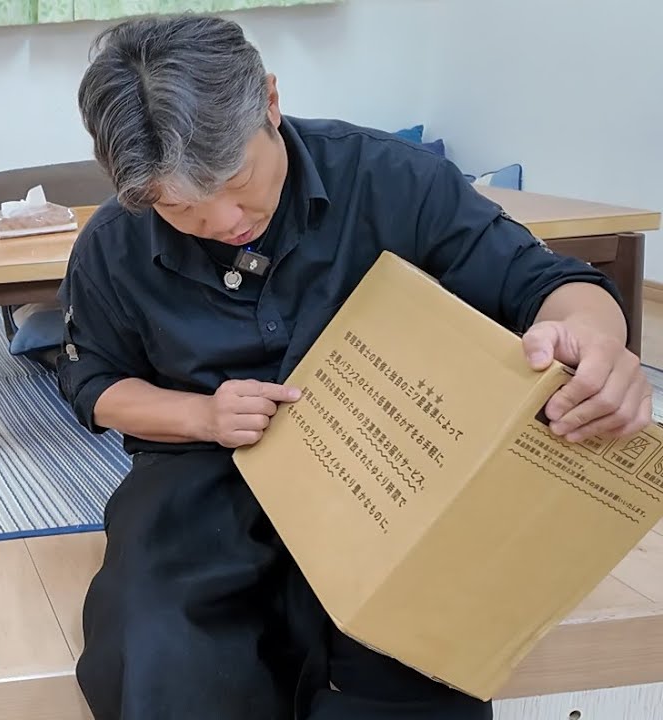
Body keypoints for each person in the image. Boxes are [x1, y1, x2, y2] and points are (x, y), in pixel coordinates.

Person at [57, 13, 653, 720]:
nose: (223, 221)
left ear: (270, 101)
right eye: (182, 208)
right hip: (204, 470)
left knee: (413, 655)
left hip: (388, 460)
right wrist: (202, 415)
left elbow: (542, 282)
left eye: (236, 178)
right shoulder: (113, 243)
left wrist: (596, 339)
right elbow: (93, 381)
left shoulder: (392, 179)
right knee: (163, 648)